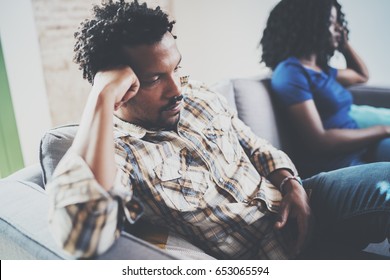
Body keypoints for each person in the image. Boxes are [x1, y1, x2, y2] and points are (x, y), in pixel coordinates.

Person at [47, 0, 390, 260]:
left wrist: (292, 184)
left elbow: (255, 146)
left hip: (305, 198)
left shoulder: (196, 94)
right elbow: (82, 235)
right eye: (154, 79)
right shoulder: (119, 151)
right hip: (268, 254)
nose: (177, 89)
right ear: (119, 88)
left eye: (177, 69)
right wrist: (100, 96)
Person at [260, 0, 390, 178]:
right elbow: (319, 141)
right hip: (338, 164)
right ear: (311, 25)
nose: (339, 28)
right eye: (331, 22)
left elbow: (361, 75)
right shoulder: (291, 72)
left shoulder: (321, 70)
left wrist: (344, 45)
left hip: (361, 150)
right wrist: (383, 129)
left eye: (339, 22)